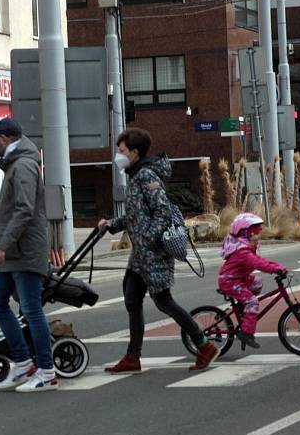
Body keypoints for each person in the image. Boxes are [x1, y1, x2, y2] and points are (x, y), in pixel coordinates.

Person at [98, 128, 220, 373]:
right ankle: (133, 356)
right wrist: (112, 224)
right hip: (140, 256)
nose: (117, 155)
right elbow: (137, 215)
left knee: (164, 301)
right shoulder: (136, 175)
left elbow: (162, 211)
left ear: (134, 152)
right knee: (132, 300)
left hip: (152, 253)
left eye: (121, 150)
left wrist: (147, 239)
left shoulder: (146, 176)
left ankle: (204, 345)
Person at [0, 118, 56, 392]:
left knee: (32, 310)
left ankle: (47, 372)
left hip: (24, 251)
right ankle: (24, 364)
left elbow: (24, 210)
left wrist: (3, 243)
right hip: (14, 252)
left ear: (5, 138)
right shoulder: (17, 163)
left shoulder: (23, 165)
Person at [219, 213, 286, 349]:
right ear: (244, 233)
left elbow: (261, 261)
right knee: (252, 302)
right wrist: (275, 269)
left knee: (257, 282)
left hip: (240, 279)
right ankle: (246, 333)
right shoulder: (241, 251)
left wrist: (278, 266)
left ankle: (244, 310)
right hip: (230, 281)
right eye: (254, 232)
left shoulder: (247, 247)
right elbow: (257, 264)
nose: (257, 235)